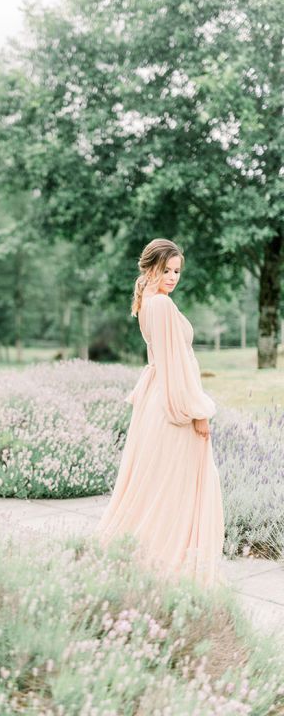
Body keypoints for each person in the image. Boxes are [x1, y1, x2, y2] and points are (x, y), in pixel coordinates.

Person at [94, 238, 226, 589]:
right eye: (166, 270)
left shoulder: (148, 301)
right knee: (175, 482)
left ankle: (144, 552)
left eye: (177, 271)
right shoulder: (161, 306)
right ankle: (167, 557)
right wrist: (196, 411)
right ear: (151, 267)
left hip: (157, 400)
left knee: (156, 481)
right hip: (172, 404)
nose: (172, 277)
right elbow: (174, 365)